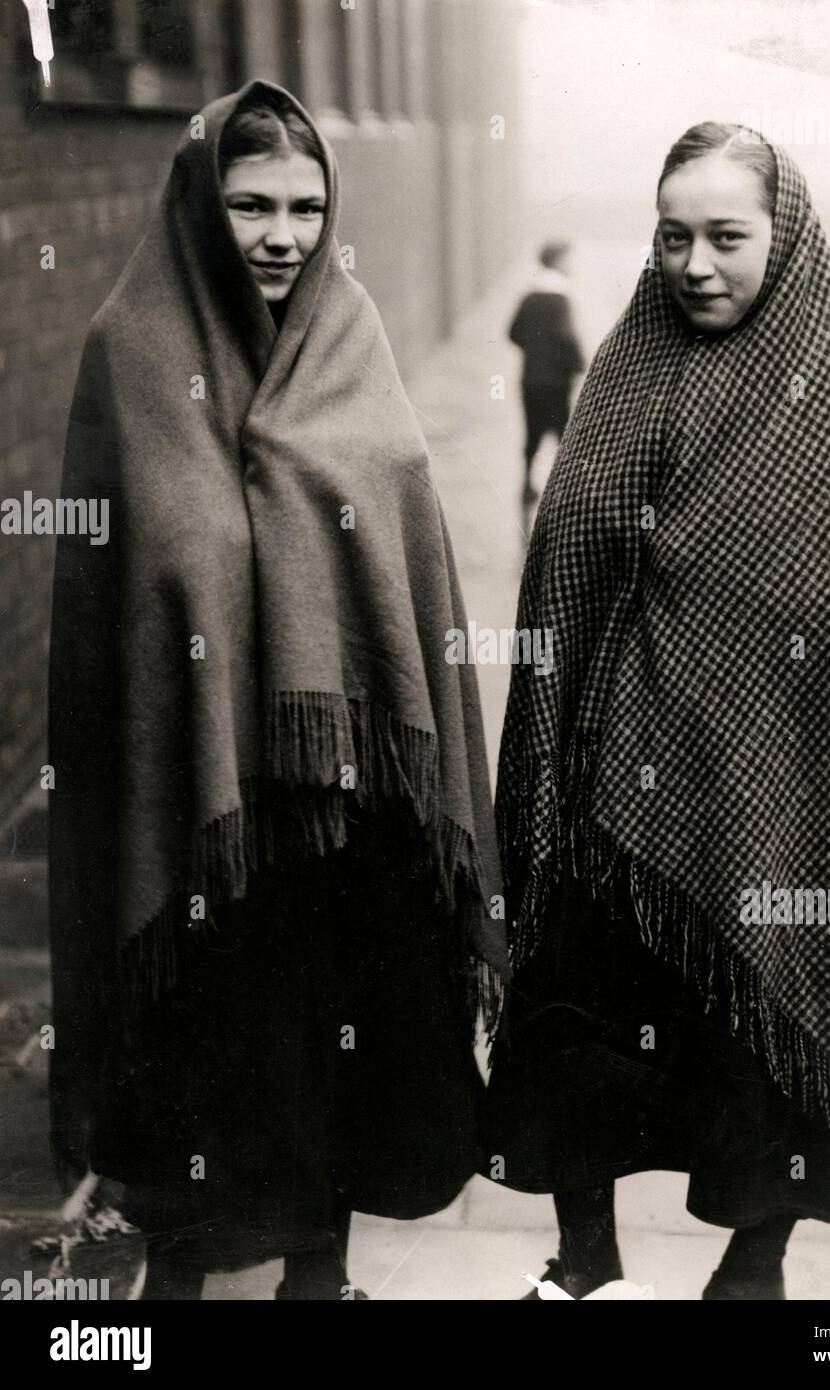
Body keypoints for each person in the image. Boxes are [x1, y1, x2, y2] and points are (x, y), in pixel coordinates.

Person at [486, 122, 830, 1300]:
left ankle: (753, 1257)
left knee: (762, 1058)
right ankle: (589, 1255)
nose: (695, 264)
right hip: (616, 795)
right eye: (674, 237)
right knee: (580, 1021)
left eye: (727, 236)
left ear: (788, 237)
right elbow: (562, 559)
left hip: (784, 804)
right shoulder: (623, 367)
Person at [47, 80, 507, 1301]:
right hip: (204, 845)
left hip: (347, 836)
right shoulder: (129, 354)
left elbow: (405, 577)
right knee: (199, 1112)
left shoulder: (352, 340)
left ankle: (321, 1283)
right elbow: (108, 630)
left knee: (337, 1100)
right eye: (251, 204)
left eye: (305, 207)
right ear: (201, 202)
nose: (283, 236)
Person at [508, 241, 585, 504]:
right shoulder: (561, 297)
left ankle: (527, 484)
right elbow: (566, 336)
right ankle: (568, 489)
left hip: (530, 378)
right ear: (555, 261)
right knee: (564, 433)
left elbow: (513, 332)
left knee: (532, 432)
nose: (571, 264)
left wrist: (535, 350)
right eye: (567, 259)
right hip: (556, 381)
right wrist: (577, 364)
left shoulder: (529, 296)